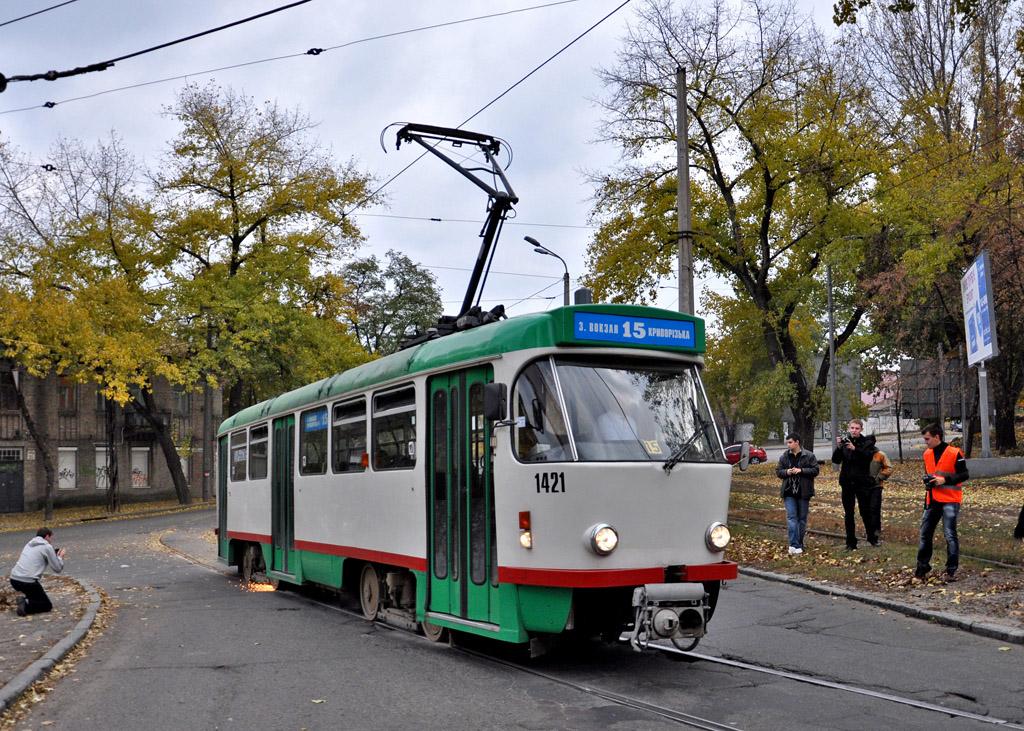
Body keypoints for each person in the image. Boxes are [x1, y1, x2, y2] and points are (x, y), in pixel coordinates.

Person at [915, 423, 969, 580]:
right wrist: (928, 480)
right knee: (925, 533)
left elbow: (964, 474)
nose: (925, 442)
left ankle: (951, 570)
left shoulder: (954, 452)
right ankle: (922, 566)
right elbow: (930, 473)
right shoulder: (927, 454)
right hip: (932, 499)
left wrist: (945, 480)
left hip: (950, 499)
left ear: (936, 437)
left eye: (927, 439)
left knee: (950, 535)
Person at [831, 419, 879, 550]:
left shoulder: (867, 443)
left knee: (865, 511)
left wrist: (854, 449)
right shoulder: (845, 442)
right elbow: (835, 460)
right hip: (847, 483)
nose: (854, 430)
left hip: (862, 482)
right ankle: (851, 543)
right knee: (849, 513)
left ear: (861, 429)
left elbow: (867, 458)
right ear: (849, 428)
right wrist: (839, 447)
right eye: (852, 428)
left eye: (857, 428)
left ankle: (872, 537)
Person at [776, 432, 818, 555]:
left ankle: (799, 543)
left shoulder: (808, 455)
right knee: (791, 517)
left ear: (797, 442)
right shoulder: (785, 456)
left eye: (790, 442)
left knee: (802, 519)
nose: (788, 445)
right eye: (787, 442)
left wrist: (801, 470)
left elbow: (815, 470)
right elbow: (778, 471)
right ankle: (794, 544)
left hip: (803, 492)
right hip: (789, 492)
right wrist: (786, 472)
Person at [9, 527, 66, 616]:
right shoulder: (47, 546)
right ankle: (26, 604)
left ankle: (27, 600)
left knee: (35, 595)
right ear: (47, 536)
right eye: (51, 538)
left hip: (14, 579)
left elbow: (38, 555)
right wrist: (60, 557)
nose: (51, 540)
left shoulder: (29, 543)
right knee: (46, 605)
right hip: (28, 582)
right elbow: (57, 568)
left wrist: (53, 553)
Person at [866, 448, 893, 544]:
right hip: (864, 486)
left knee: (875, 507)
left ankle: (876, 528)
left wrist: (878, 478)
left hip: (876, 486)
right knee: (866, 509)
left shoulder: (880, 454)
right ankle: (870, 529)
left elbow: (889, 468)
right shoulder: (862, 453)